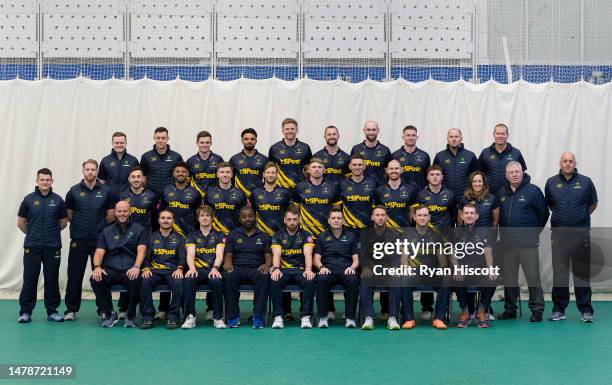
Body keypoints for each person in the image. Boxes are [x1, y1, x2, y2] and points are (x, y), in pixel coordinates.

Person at [545, 152, 598, 322]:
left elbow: (593, 203)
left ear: (575, 163)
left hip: (581, 235)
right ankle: (559, 309)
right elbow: (551, 205)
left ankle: (585, 310)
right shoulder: (551, 182)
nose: (567, 164)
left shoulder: (586, 182)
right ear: (560, 163)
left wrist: (580, 218)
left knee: (581, 273)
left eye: (570, 161)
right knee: (560, 273)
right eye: (564, 161)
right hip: (559, 236)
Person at [496, 161, 549, 322]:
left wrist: (533, 233)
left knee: (533, 277)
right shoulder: (501, 193)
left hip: (528, 244)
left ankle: (537, 310)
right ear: (506, 175)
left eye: (517, 171)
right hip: (507, 244)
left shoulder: (533, 191)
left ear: (522, 173)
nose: (514, 174)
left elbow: (544, 214)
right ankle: (510, 309)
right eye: (511, 172)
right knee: (510, 279)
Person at [64, 159, 116, 321]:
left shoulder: (106, 191)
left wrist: (99, 228)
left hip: (99, 241)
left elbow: (110, 215)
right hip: (78, 239)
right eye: (88, 169)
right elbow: (69, 214)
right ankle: (71, 309)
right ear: (83, 171)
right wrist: (80, 227)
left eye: (93, 170)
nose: (90, 172)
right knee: (74, 275)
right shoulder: (73, 191)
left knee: (100, 275)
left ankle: (103, 309)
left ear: (97, 171)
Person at [17, 168, 68, 323]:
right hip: (32, 246)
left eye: (48, 179)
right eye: (42, 179)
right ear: (37, 181)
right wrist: (33, 234)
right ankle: (25, 312)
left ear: (52, 181)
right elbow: (21, 223)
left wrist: (50, 234)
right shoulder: (28, 200)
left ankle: (52, 312)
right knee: (29, 279)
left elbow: (63, 223)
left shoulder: (58, 200)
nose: (45, 182)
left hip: (52, 246)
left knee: (52, 279)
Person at [90, 201, 147, 328]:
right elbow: (99, 252)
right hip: (111, 269)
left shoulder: (139, 229)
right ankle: (109, 312)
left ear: (130, 212)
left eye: (125, 211)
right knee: (96, 278)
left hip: (130, 267)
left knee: (136, 279)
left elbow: (141, 250)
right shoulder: (106, 231)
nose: (122, 213)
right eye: (119, 211)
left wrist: (137, 267)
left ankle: (130, 314)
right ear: (115, 213)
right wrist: (97, 268)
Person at [399, 205, 452, 330]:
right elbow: (403, 257)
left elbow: (442, 261)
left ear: (429, 217)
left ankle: (439, 318)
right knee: (404, 280)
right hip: (414, 272)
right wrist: (406, 269)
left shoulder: (437, 235)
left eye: (425, 215)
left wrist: (443, 269)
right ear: (414, 217)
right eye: (419, 215)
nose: (422, 218)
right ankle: (409, 319)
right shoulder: (407, 234)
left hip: (432, 272)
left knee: (447, 279)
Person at [223, 207, 272, 329]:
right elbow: (228, 255)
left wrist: (267, 265)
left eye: (250, 216)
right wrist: (227, 264)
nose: (247, 219)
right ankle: (233, 317)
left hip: (257, 269)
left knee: (264, 275)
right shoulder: (233, 234)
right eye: (244, 217)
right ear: (239, 219)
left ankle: (258, 316)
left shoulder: (264, 236)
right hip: (238, 268)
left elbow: (268, 256)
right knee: (228, 276)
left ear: (255, 217)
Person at [451, 204, 497, 328]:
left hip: (479, 269)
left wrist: (490, 269)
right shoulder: (455, 232)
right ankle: (465, 312)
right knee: (456, 277)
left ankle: (481, 311)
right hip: (463, 269)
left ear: (476, 216)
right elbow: (453, 253)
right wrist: (457, 268)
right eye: (466, 213)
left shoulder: (484, 232)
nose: (469, 215)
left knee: (492, 278)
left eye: (472, 213)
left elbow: (488, 251)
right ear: (462, 216)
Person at [270, 206, 316, 329]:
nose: (292, 222)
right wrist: (276, 269)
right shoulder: (277, 235)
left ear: (299, 220)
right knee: (275, 280)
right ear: (284, 220)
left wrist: (308, 270)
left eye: (295, 219)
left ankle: (305, 316)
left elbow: (308, 254)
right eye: (289, 219)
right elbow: (276, 254)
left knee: (310, 280)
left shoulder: (306, 235)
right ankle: (278, 316)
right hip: (283, 270)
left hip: (300, 270)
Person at [314, 208, 360, 328]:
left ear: (343, 220)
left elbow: (356, 259)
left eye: (339, 218)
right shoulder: (322, 236)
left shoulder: (351, 236)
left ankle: (350, 318)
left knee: (353, 280)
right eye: (333, 218)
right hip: (328, 269)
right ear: (329, 220)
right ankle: (323, 317)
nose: (336, 220)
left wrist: (352, 267)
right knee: (321, 279)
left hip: (346, 269)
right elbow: (316, 259)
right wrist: (321, 267)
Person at [139, 210, 186, 329]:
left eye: (169, 218)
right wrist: (145, 268)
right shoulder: (150, 237)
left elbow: (183, 257)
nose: (166, 220)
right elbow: (145, 256)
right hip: (154, 271)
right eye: (163, 218)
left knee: (179, 282)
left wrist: (180, 269)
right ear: (158, 220)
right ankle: (147, 317)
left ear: (173, 221)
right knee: (145, 281)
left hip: (172, 271)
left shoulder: (180, 238)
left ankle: (173, 317)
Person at [182, 205, 226, 329]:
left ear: (212, 218)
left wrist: (215, 268)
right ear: (198, 218)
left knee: (216, 281)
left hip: (212, 269)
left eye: (207, 215)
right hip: (197, 270)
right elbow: (190, 254)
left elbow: (219, 254)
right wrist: (191, 268)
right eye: (202, 215)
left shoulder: (219, 235)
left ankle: (217, 317)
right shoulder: (192, 235)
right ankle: (190, 316)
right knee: (189, 279)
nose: (205, 218)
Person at [359, 206, 402, 330]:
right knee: (365, 280)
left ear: (387, 218)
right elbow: (362, 253)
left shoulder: (393, 235)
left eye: (383, 215)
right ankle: (368, 318)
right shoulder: (365, 234)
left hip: (387, 270)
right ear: (372, 217)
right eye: (377, 215)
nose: (380, 218)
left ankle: (392, 318)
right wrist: (365, 267)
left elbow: (397, 255)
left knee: (396, 281)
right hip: (371, 270)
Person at [294, 158, 341, 238]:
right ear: (308, 170)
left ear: (324, 170)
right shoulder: (300, 187)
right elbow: (296, 210)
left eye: (319, 167)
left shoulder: (333, 186)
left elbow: (336, 210)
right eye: (314, 167)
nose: (317, 169)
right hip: (306, 232)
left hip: (327, 231)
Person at [478, 123, 527, 194]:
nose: (500, 136)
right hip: (489, 194)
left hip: (509, 194)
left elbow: (522, 173)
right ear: (494, 135)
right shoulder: (485, 153)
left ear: (507, 135)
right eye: (498, 133)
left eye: (503, 134)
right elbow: (479, 173)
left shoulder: (516, 153)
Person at [433, 128, 479, 199]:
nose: (454, 139)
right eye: (451, 137)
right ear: (447, 139)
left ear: (461, 138)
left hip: (466, 196)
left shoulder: (470, 155)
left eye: (456, 136)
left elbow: (477, 176)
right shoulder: (439, 156)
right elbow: (434, 177)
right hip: (444, 197)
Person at [204, 162, 247, 235]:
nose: (225, 175)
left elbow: (243, 217)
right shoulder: (209, 194)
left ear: (232, 174)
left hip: (235, 235)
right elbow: (206, 216)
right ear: (217, 174)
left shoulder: (241, 194)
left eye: (228, 172)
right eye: (222, 172)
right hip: (214, 235)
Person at [250, 162, 293, 236]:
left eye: (273, 172)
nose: (270, 175)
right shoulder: (255, 192)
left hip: (280, 234)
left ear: (277, 174)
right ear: (263, 174)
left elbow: (289, 214)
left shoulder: (285, 192)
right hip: (260, 234)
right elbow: (252, 213)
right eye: (268, 172)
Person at [268, 118, 312, 190]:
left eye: (292, 129)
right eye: (287, 129)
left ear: (297, 130)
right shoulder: (274, 148)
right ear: (283, 131)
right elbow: (269, 170)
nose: (289, 131)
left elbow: (310, 170)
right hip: (280, 189)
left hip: (300, 189)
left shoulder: (305, 148)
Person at [139, 126, 183, 197]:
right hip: (151, 195)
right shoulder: (146, 156)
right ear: (154, 138)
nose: (160, 140)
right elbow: (142, 176)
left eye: (163, 138)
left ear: (168, 139)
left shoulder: (176, 157)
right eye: (158, 138)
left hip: (171, 195)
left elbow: (181, 176)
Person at [374, 159, 417, 230]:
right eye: (391, 168)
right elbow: (377, 213)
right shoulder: (379, 191)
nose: (394, 171)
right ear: (387, 170)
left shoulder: (411, 190)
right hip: (385, 232)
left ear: (401, 170)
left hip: (405, 231)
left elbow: (412, 212)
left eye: (396, 168)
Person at [160, 162, 201, 236]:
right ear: (173, 173)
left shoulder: (195, 192)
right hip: (169, 233)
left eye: (183, 171)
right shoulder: (166, 191)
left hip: (189, 234)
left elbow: (198, 214)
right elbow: (161, 212)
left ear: (188, 174)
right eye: (177, 171)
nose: (180, 173)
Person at [340, 154, 378, 230]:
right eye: (354, 165)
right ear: (350, 166)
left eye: (360, 165)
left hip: (368, 228)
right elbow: (338, 207)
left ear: (364, 166)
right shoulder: (342, 184)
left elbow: (376, 208)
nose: (357, 167)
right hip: (348, 228)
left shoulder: (373, 184)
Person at [350, 120, 392, 186]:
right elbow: (351, 170)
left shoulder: (385, 150)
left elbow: (390, 171)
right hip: (360, 190)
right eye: (368, 130)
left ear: (378, 131)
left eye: (374, 130)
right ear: (364, 131)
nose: (371, 132)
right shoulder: (356, 149)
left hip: (379, 190)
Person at [229, 128, 268, 198]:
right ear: (242, 141)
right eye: (246, 139)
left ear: (256, 141)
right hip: (238, 197)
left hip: (259, 197)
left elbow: (268, 179)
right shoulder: (234, 159)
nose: (249, 141)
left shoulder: (264, 159)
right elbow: (230, 180)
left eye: (252, 139)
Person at [98, 132, 139, 196]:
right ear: (112, 143)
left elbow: (138, 179)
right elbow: (102, 181)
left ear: (126, 143)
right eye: (116, 143)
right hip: (109, 197)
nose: (119, 145)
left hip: (128, 197)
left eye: (122, 143)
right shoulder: (105, 160)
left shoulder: (133, 160)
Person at [417, 164, 456, 231]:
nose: (435, 177)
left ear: (442, 177)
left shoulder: (450, 194)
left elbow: (453, 216)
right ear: (427, 177)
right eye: (432, 174)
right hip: (427, 234)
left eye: (438, 174)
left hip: (445, 234)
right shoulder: (420, 195)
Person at [186, 130, 224, 198]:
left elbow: (224, 178)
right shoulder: (190, 161)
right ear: (197, 143)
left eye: (207, 142)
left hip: (215, 196)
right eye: (202, 142)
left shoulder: (218, 159)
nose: (204, 145)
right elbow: (186, 182)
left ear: (211, 143)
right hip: (196, 197)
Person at [392, 125, 430, 190]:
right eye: (408, 135)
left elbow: (429, 177)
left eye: (413, 135)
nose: (411, 137)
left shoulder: (424, 156)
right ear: (403, 137)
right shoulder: (395, 156)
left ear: (417, 137)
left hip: (419, 194)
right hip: (400, 194)